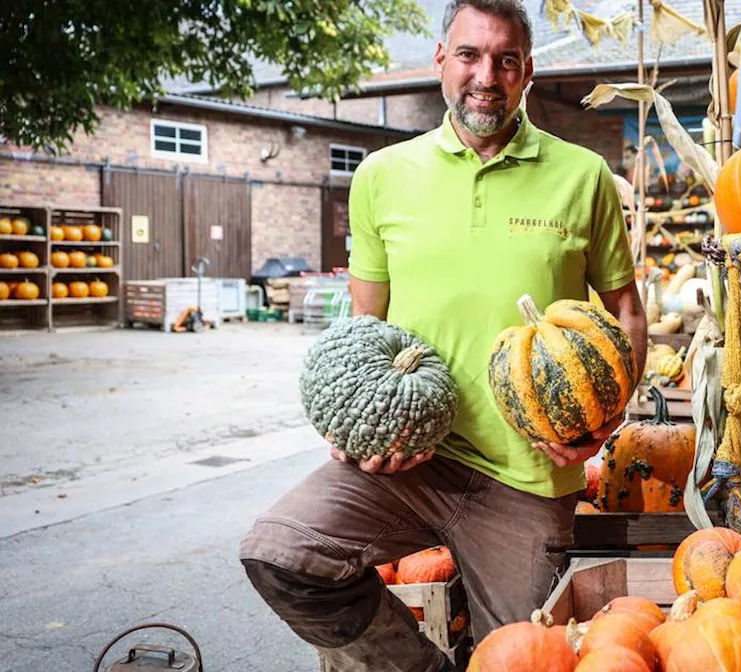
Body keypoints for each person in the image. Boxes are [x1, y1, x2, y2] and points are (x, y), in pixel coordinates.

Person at [238, 0, 647, 669]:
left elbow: (626, 308)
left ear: (526, 72)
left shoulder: (583, 176)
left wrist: (607, 416)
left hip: (528, 478)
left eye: (504, 59)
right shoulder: (382, 177)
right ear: (440, 62)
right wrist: (357, 430)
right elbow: (365, 329)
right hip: (409, 461)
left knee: (520, 658)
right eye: (469, 55)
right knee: (282, 553)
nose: (486, 75)